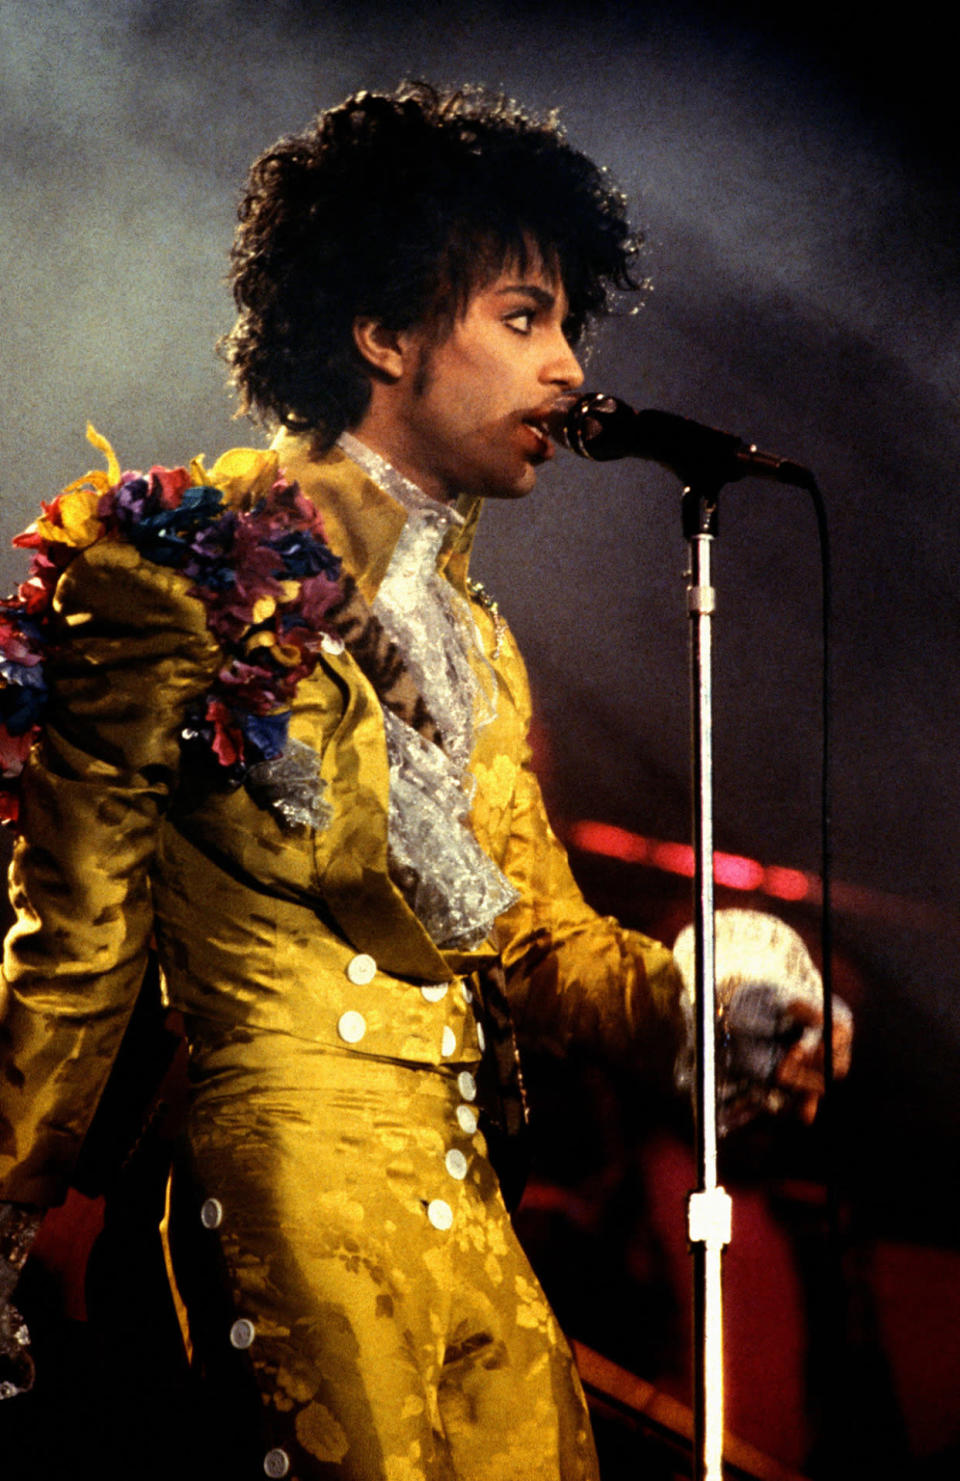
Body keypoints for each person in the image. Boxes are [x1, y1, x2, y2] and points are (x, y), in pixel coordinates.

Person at [0, 84, 848, 1479]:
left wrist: (699, 1001)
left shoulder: (480, 648)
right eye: (526, 317)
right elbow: (73, 948)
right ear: (384, 331)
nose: (571, 368)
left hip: (462, 1210)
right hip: (275, 1204)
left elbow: (529, 936)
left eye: (568, 324)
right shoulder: (179, 567)